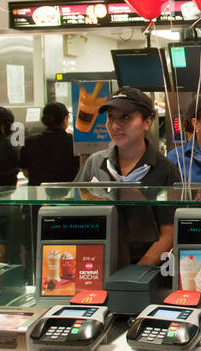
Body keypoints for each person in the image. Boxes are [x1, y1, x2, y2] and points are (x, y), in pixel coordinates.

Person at [74, 87, 181, 267]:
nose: (115, 126)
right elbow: (76, 210)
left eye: (125, 117)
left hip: (146, 270)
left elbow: (169, 231)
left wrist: (137, 272)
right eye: (111, 117)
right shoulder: (95, 163)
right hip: (95, 265)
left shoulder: (164, 169)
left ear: (147, 122)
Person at [19, 102, 77, 185]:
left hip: (38, 191)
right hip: (68, 192)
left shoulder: (29, 142)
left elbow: (25, 172)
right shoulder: (74, 143)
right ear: (65, 119)